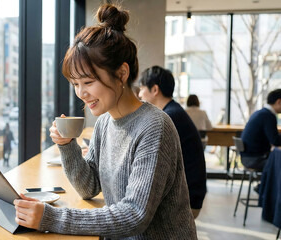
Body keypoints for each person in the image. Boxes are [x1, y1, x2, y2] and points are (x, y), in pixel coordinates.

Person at [13, 4, 197, 239]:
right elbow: (89, 187)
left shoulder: (154, 126)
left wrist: (51, 217)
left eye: (88, 82)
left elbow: (134, 214)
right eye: (75, 84)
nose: (81, 93)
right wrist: (67, 144)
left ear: (121, 73)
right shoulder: (105, 123)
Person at [138, 66, 207, 219]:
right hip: (190, 193)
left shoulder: (169, 118)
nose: (140, 94)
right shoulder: (172, 112)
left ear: (154, 89)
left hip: (187, 199)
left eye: (142, 89)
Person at [240, 89, 281, 170]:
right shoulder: (268, 116)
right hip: (255, 159)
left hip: (248, 157)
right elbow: (275, 141)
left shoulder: (260, 113)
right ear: (279, 102)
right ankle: (268, 183)